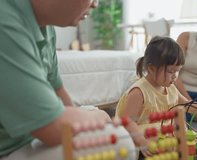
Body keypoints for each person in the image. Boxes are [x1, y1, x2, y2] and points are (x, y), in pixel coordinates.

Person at [0, 0, 130, 160]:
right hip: (7, 149)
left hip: (28, 140)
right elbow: (52, 128)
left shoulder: (46, 29)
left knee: (104, 129)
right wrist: (100, 116)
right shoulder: (5, 21)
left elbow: (58, 92)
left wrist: (89, 117)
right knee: (118, 142)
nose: (95, 4)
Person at [115, 36, 197, 158]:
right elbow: (127, 122)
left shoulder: (170, 87)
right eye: (171, 71)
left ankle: (171, 143)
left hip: (163, 129)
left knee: (187, 132)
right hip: (140, 131)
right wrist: (142, 141)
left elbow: (186, 104)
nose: (175, 76)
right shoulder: (139, 91)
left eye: (178, 71)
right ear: (151, 69)